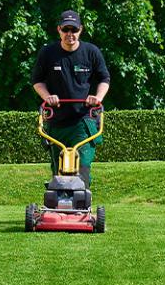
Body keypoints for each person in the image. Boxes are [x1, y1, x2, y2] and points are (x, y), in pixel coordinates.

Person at [30, 9, 111, 187]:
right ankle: (57, 206)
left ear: (80, 30)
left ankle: (81, 206)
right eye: (66, 29)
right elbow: (37, 81)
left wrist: (97, 98)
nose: (70, 34)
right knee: (58, 169)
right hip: (56, 122)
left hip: (83, 121)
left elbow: (104, 79)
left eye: (73, 30)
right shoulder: (48, 53)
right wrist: (47, 97)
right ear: (59, 30)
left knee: (82, 166)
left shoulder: (91, 52)